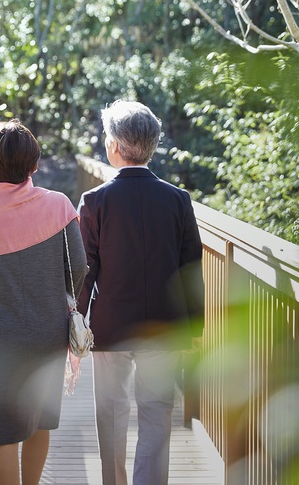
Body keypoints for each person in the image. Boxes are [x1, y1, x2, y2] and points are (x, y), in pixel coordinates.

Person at [0, 119, 88, 485]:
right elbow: (80, 266)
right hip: (49, 330)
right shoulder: (59, 206)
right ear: (34, 165)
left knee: (4, 431)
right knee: (40, 421)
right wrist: (59, 297)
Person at [77, 100, 204, 485]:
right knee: (156, 413)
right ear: (151, 146)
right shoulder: (177, 199)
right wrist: (193, 329)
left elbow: (86, 271)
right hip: (164, 328)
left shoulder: (94, 201)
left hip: (110, 325)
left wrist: (76, 319)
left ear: (114, 146)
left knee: (110, 413)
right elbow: (190, 268)